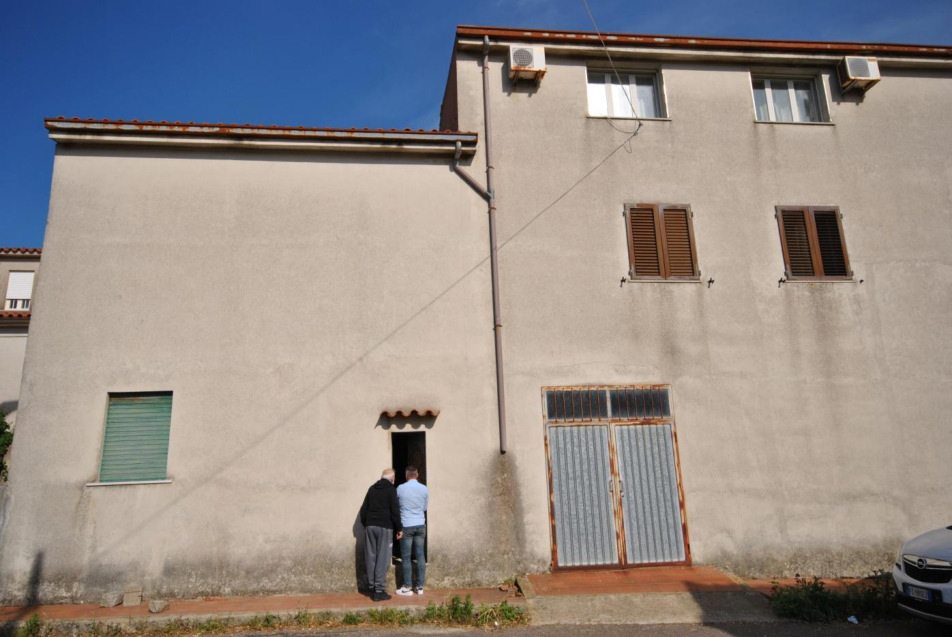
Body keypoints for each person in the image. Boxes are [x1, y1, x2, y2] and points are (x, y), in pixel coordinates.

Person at [359, 468, 403, 601]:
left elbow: (363, 510)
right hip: (384, 527)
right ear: (392, 479)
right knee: (382, 558)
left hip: (370, 526)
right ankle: (379, 591)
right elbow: (395, 511)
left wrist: (367, 524)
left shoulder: (372, 489)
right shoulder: (391, 490)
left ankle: (372, 587)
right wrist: (399, 528)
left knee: (370, 556)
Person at [395, 465, 429, 595]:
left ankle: (407, 586)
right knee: (420, 555)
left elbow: (397, 506)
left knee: (406, 556)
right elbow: (424, 508)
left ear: (406, 475)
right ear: (417, 474)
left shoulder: (400, 488)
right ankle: (420, 587)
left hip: (406, 524)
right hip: (420, 524)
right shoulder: (424, 489)